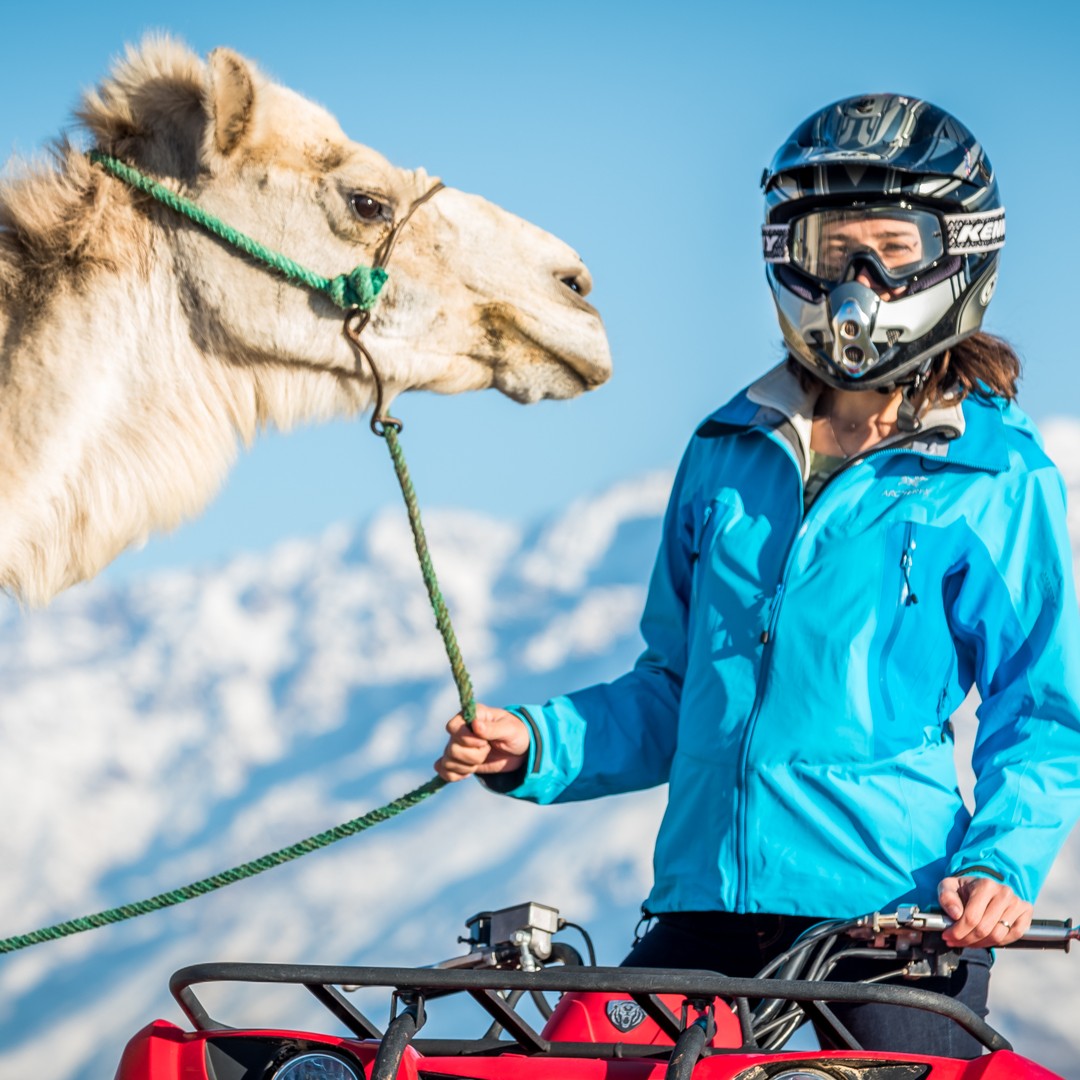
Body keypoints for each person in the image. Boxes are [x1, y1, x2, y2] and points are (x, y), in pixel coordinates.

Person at [435, 94, 1080, 1057]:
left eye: (891, 250)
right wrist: (534, 744)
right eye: (830, 250)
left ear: (958, 254)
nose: (857, 280)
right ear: (786, 256)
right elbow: (672, 693)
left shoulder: (997, 478)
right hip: (702, 912)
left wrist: (1002, 864)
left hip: (889, 928)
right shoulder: (725, 453)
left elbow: (1041, 714)